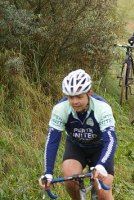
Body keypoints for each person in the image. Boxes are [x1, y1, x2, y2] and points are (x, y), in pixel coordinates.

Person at [39, 69, 117, 199]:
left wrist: (101, 165)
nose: (75, 102)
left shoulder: (102, 108)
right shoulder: (60, 109)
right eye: (70, 97)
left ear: (89, 93)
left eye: (79, 97)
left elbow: (111, 140)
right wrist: (48, 173)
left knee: (103, 192)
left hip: (99, 147)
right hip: (76, 146)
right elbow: (52, 140)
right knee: (70, 181)